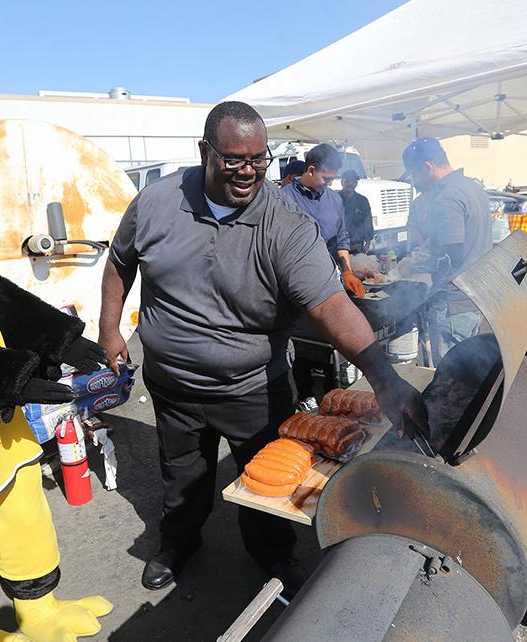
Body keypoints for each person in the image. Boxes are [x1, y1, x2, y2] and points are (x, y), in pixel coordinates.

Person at [98, 101, 427, 598]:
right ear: (204, 151)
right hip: (172, 384)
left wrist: (385, 378)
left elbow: (332, 307)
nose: (248, 172)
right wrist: (109, 329)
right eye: (233, 159)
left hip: (253, 388)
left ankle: (272, 555)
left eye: (259, 159)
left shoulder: (286, 223)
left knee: (267, 482)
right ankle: (177, 543)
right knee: (182, 473)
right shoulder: (155, 202)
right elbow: (120, 262)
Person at [400, 137, 492, 366]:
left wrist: (412, 264)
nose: (414, 183)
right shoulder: (473, 187)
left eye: (414, 175)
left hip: (454, 304)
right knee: (466, 372)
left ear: (427, 168)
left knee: (449, 380)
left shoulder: (446, 198)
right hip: (477, 296)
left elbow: (450, 255)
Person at [279, 144, 365, 299]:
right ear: (311, 170)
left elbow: (342, 239)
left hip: (331, 280)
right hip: (296, 284)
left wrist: (347, 272)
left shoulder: (335, 199)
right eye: (326, 178)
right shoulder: (284, 199)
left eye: (333, 178)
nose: (330, 184)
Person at [339, 169, 374, 254]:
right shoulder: (335, 199)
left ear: (356, 184)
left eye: (353, 181)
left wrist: (368, 242)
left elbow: (367, 221)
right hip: (338, 245)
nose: (350, 184)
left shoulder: (362, 201)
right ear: (342, 182)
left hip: (357, 245)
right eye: (347, 181)